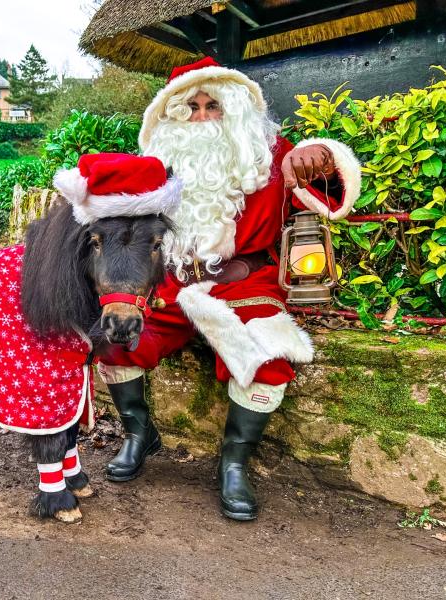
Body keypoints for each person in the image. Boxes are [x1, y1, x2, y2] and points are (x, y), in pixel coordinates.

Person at [98, 57, 361, 521]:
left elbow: (330, 190)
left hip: (244, 284)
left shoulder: (272, 155)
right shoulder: (158, 165)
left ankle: (234, 462)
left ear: (235, 109)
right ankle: (139, 434)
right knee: (116, 337)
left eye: (213, 105)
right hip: (172, 283)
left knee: (267, 355)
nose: (200, 117)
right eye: (191, 108)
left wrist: (320, 155)